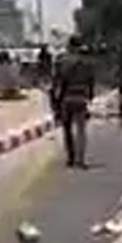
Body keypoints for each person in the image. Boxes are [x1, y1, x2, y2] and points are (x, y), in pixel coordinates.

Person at [50, 36, 96, 168]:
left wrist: (54, 101)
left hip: (66, 97)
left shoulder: (61, 60)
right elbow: (91, 81)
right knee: (81, 130)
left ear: (69, 46)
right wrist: (91, 95)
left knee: (67, 128)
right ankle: (80, 159)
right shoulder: (86, 62)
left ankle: (70, 157)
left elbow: (55, 81)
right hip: (81, 97)